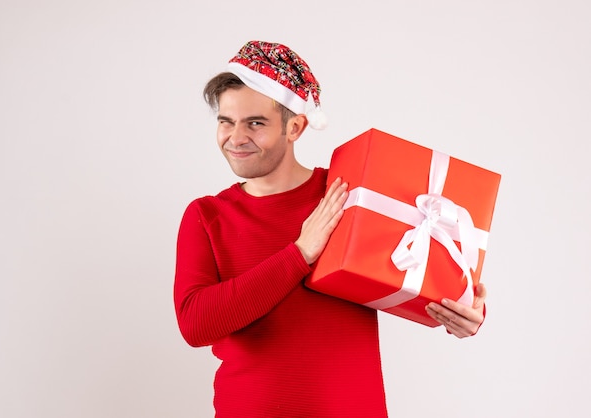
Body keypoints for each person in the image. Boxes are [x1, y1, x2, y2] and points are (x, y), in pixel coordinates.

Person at [173, 40, 487, 418]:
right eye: (226, 122)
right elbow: (196, 324)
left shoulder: (350, 194)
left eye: (255, 123)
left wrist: (462, 312)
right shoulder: (207, 215)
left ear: (296, 127)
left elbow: (417, 271)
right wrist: (300, 253)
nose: (236, 138)